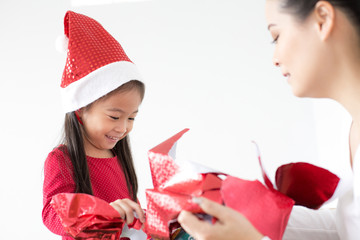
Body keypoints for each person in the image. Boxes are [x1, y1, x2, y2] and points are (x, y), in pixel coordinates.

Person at [178, 0, 360, 239]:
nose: (274, 58)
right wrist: (251, 213)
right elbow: (347, 227)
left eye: (277, 36)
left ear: (322, 19)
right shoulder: (352, 129)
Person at [42, 11, 147, 239]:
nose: (123, 128)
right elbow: (52, 214)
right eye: (114, 116)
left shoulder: (118, 155)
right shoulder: (62, 159)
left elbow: (129, 212)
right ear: (81, 109)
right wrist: (103, 214)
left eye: (131, 118)